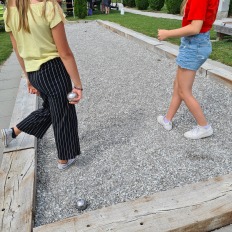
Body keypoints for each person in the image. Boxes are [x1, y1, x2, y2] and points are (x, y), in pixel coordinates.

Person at [2, 0, 83, 170]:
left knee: (51, 109)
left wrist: (28, 77)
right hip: (53, 69)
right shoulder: (48, 7)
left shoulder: (10, 8)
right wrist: (78, 84)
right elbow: (65, 53)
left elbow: (17, 50)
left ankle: (13, 132)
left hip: (33, 71)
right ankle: (64, 158)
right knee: (63, 113)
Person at [157, 0, 219, 140]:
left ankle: (204, 127)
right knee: (178, 86)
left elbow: (195, 28)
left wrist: (167, 33)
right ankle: (167, 120)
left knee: (184, 91)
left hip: (194, 45)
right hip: (194, 44)